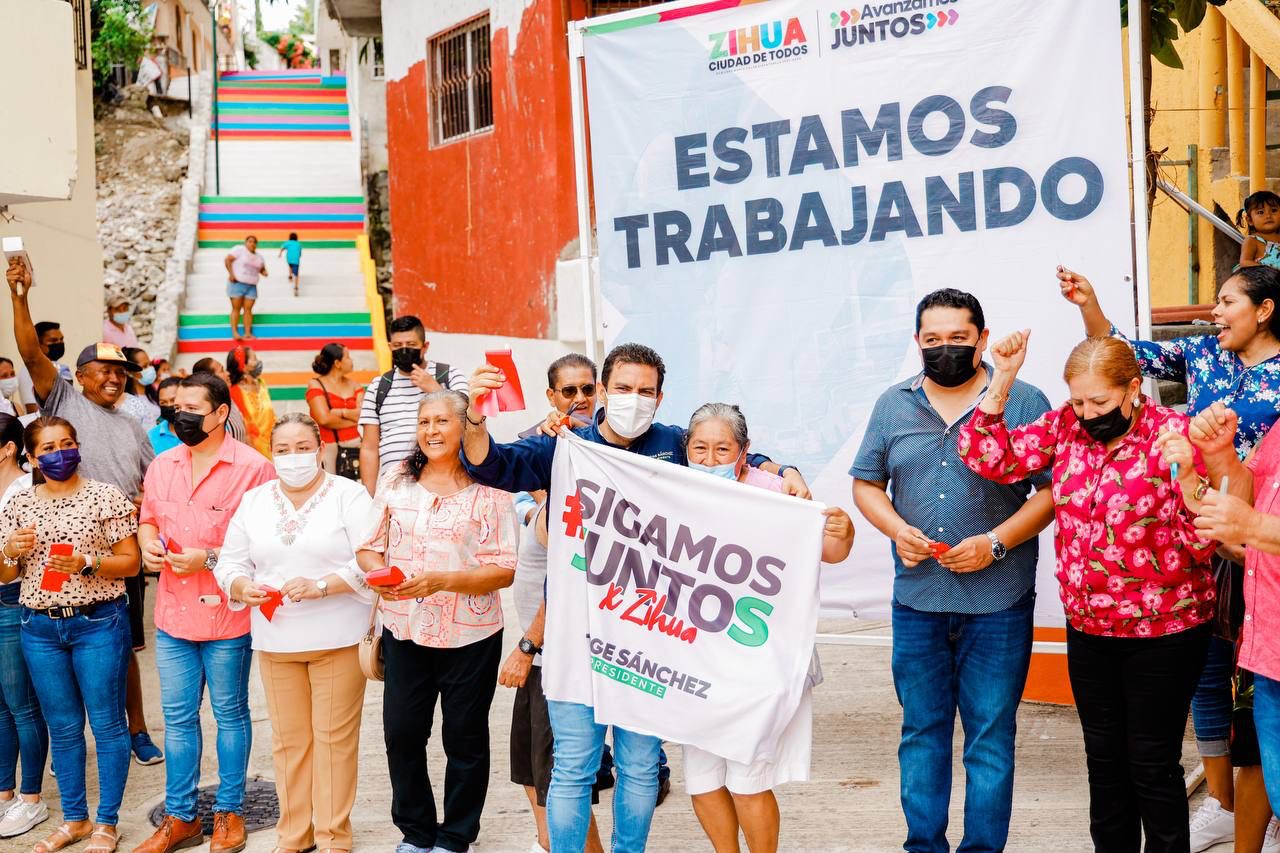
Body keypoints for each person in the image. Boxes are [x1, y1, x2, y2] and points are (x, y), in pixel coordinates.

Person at [461, 343, 808, 852]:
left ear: (660, 397)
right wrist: (473, 413)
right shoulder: (566, 445)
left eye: (646, 391)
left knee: (641, 766)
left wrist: (783, 470)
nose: (634, 399)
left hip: (651, 639)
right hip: (576, 636)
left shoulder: (673, 443)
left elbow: (728, 451)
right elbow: (489, 465)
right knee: (574, 766)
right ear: (602, 390)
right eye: (623, 388)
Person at [959, 332, 1216, 852]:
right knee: (1103, 762)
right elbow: (986, 456)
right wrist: (1002, 379)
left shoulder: (1175, 435)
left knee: (1151, 763)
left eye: (1099, 401)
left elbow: (1202, 543)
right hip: (1091, 629)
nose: (1086, 411)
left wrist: (1188, 475)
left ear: (1133, 388)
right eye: (1077, 400)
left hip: (1165, 629)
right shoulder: (1064, 427)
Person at [1062, 264, 1280, 851]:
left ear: (1263, 311)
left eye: (1227, 300)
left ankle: (1262, 811)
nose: (1214, 310)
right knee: (1208, 686)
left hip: (1262, 542)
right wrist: (1089, 302)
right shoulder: (1204, 356)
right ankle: (1221, 801)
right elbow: (1124, 355)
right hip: (1203, 539)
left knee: (1258, 690)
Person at [851, 289, 1054, 853]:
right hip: (917, 601)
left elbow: (1052, 490)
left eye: (958, 340)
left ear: (982, 340)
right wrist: (895, 529)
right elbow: (867, 482)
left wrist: (996, 542)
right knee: (922, 735)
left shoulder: (1022, 400)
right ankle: (924, 846)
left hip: (999, 602)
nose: (944, 350)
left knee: (989, 739)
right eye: (932, 340)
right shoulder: (893, 404)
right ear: (917, 341)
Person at [6, 260, 163, 770]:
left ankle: (135, 731)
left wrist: (145, 516)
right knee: (56, 639)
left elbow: (152, 485)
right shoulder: (64, 397)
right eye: (106, 370)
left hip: (115, 550)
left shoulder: (135, 428)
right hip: (53, 547)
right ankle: (67, 742)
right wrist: (20, 294)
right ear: (81, 375)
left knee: (123, 647)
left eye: (122, 372)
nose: (115, 378)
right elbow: (29, 351)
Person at [682, 403, 854, 853]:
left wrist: (844, 529)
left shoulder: (777, 492)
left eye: (723, 448)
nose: (709, 458)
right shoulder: (669, 489)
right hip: (691, 654)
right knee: (701, 778)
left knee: (747, 778)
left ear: (745, 452)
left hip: (760, 658)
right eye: (699, 447)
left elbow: (831, 552)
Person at [356, 391, 518, 853]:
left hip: (472, 634)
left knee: (464, 739)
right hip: (404, 628)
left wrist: (444, 580)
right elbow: (369, 544)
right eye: (424, 421)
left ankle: (455, 835)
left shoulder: (491, 486)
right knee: (402, 733)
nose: (431, 430)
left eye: (442, 420)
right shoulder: (397, 479)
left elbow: (504, 569)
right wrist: (377, 574)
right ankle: (416, 832)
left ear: (465, 426)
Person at [216, 413, 373, 853]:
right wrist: (239, 585)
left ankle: (333, 836)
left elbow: (370, 559)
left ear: (321, 448)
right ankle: (294, 834)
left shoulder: (349, 494)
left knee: (333, 740)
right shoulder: (255, 501)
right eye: (282, 449)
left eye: (302, 447)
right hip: (275, 637)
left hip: (337, 635)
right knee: (288, 742)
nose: (293, 457)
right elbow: (230, 562)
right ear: (271, 453)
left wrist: (323, 586)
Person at [132, 373, 275, 853]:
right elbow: (149, 517)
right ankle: (180, 817)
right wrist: (149, 544)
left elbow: (267, 544)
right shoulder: (164, 464)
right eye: (177, 406)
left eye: (195, 407)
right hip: (173, 615)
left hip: (228, 615)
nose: (182, 415)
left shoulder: (254, 469)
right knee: (176, 719)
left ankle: (229, 812)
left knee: (230, 713)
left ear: (220, 414)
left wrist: (209, 558)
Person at [0, 416, 140, 853]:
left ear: (78, 447)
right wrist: (9, 551)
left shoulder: (105, 496)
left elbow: (132, 563)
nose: (58, 453)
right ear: (31, 457)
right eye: (47, 448)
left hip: (97, 621)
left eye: (66, 444)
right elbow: (6, 573)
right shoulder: (19, 504)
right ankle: (75, 820)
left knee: (107, 723)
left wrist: (88, 563)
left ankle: (106, 822)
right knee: (62, 728)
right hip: (38, 626)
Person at [1187, 401, 1280, 832]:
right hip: (1269, 650)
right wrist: (1220, 454)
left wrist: (1252, 526)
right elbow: (1251, 493)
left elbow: (1253, 520)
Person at [357, 316, 469, 494]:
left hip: (447, 486)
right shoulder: (379, 386)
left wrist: (435, 389)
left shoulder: (450, 375)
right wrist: (368, 496)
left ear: (425, 347)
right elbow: (369, 447)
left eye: (410, 344)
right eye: (397, 346)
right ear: (389, 347)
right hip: (394, 489)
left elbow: (469, 420)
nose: (404, 350)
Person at [0, 414, 47, 840]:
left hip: (12, 600)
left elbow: (13, 567)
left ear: (8, 447)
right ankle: (4, 794)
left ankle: (32, 798)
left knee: (21, 704)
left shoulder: (25, 490)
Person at [307, 343, 364, 479]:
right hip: (329, 448)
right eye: (348, 357)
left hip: (356, 445)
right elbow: (324, 419)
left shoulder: (355, 385)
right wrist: (353, 420)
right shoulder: (316, 384)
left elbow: (364, 414)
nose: (352, 361)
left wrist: (340, 412)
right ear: (337, 363)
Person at [226, 345, 275, 457]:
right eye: (254, 359)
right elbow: (244, 426)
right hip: (254, 450)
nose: (258, 362)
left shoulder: (261, 383)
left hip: (273, 444)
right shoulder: (234, 392)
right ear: (243, 366)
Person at [16, 322, 72, 416]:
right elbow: (32, 410)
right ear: (38, 343)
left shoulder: (62, 368)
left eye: (61, 339)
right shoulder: (30, 370)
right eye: (53, 341)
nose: (59, 343)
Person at [191, 358, 248, 444]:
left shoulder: (229, 400)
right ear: (210, 379)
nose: (228, 373)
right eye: (222, 370)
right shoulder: (208, 413)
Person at [224, 235, 267, 341]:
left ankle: (247, 333)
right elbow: (228, 260)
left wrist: (265, 272)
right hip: (237, 283)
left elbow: (262, 269)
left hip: (251, 285)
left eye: (254, 242)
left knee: (248, 310)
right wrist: (231, 274)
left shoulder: (259, 257)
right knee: (236, 308)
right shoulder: (239, 250)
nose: (252, 244)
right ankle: (235, 332)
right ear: (246, 242)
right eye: (250, 241)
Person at [119, 348, 160, 430]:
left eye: (150, 364)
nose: (150, 369)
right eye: (144, 366)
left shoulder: (154, 393)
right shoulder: (126, 401)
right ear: (130, 372)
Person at [1238, 191, 1280, 271]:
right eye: (1261, 212)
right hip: (1266, 281)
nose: (1268, 216)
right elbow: (1244, 262)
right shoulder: (1252, 240)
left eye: (1274, 210)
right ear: (1250, 220)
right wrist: (1272, 271)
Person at [148, 378, 181, 456]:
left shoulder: (198, 432)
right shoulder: (151, 437)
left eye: (173, 400)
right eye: (163, 402)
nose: (169, 405)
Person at [278, 232, 302, 297]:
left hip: (289, 259)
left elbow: (282, 247)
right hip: (296, 259)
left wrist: (280, 253)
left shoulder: (288, 242)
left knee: (290, 266)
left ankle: (290, 276)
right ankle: (296, 288)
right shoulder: (298, 243)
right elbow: (300, 252)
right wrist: (299, 256)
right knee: (296, 275)